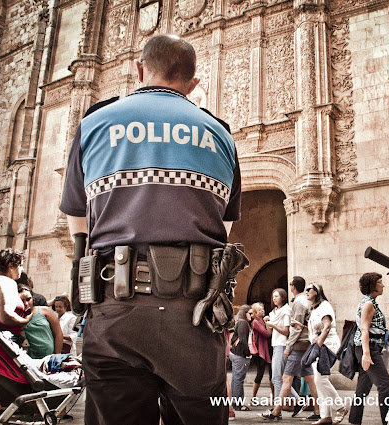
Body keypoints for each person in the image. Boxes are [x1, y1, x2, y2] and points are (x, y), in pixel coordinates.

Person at [59, 33, 243, 425]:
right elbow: (223, 226)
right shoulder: (221, 135)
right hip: (194, 315)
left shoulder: (94, 123)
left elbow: (77, 213)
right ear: (193, 84)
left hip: (114, 309)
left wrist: (82, 263)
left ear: (140, 70)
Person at [262, 276, 320, 421]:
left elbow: (294, 329)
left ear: (292, 286)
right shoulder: (302, 302)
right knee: (310, 379)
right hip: (303, 345)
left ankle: (276, 411)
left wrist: (288, 347)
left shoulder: (298, 303)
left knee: (285, 378)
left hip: (298, 345)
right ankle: (319, 410)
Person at [349, 272, 389, 425]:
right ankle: (388, 421)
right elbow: (364, 330)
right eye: (380, 282)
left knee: (363, 387)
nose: (383, 285)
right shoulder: (368, 304)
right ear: (372, 285)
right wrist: (367, 355)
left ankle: (354, 421)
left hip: (367, 348)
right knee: (384, 384)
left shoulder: (370, 302)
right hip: (369, 348)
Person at [304, 283, 347, 425]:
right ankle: (325, 416)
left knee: (320, 379)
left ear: (317, 291)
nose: (307, 291)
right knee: (320, 379)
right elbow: (316, 330)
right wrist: (302, 328)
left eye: (309, 289)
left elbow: (327, 326)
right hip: (320, 345)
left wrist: (318, 345)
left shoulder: (325, 306)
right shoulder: (315, 309)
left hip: (327, 346)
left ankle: (340, 407)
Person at [0, 249, 32, 408]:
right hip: (3, 345)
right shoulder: (6, 282)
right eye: (21, 265)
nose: (22, 270)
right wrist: (25, 320)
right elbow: (5, 315)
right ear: (11, 265)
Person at [265, 288, 301, 409]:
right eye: (273, 296)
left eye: (277, 296)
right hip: (275, 345)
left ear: (283, 298)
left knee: (276, 378)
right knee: (280, 378)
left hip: (282, 345)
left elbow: (286, 332)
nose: (274, 298)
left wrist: (273, 325)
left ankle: (277, 409)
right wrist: (267, 323)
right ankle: (298, 401)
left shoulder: (286, 311)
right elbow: (269, 332)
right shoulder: (273, 312)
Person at [18, 285, 63, 359]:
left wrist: (57, 356)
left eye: (28, 299)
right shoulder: (15, 317)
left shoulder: (45, 311)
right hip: (28, 359)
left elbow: (58, 334)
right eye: (22, 300)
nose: (26, 303)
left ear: (33, 298)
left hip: (49, 358)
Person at [229, 305, 252, 411]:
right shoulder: (243, 323)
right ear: (245, 313)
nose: (252, 316)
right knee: (238, 380)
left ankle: (236, 403)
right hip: (239, 355)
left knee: (236, 379)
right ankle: (237, 404)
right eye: (250, 313)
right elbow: (243, 340)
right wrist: (248, 353)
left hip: (235, 354)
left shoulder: (240, 322)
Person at [250, 302, 273, 402]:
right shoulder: (256, 322)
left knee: (272, 374)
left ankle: (275, 396)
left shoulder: (262, 321)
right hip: (261, 351)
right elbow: (267, 334)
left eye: (262, 309)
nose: (262, 311)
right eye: (259, 310)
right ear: (255, 312)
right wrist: (269, 323)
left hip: (268, 349)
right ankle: (253, 397)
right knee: (260, 373)